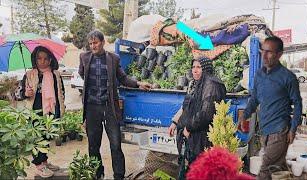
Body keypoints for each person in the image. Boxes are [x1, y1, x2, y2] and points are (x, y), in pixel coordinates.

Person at [79, 30, 152, 180]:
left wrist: (138, 84)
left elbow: (123, 78)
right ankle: (97, 173)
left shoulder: (113, 58)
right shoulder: (84, 57)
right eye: (91, 43)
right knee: (93, 145)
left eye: (96, 42)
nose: (93, 46)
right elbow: (82, 74)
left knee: (115, 144)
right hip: (92, 108)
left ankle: (119, 175)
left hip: (109, 107)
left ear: (103, 42)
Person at [239, 36, 302, 180]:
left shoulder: (288, 77)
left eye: (269, 52)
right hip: (264, 131)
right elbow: (254, 99)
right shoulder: (260, 75)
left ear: (279, 54)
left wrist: (293, 128)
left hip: (280, 131)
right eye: (263, 51)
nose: (264, 55)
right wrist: (245, 116)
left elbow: (297, 103)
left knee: (265, 170)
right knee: (277, 168)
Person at [168, 57, 226, 179]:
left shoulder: (211, 84)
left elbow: (206, 113)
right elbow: (185, 106)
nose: (195, 70)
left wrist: (189, 128)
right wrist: (174, 121)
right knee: (188, 168)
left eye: (199, 67)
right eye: (193, 67)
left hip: (201, 136)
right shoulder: (194, 83)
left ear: (206, 69)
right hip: (189, 134)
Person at [16, 46, 65, 178]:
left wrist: (60, 110)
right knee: (37, 139)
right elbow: (18, 93)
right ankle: (39, 166)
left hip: (50, 112)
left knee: (46, 138)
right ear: (35, 59)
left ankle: (44, 161)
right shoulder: (29, 74)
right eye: (39, 58)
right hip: (35, 113)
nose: (42, 61)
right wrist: (26, 93)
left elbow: (61, 92)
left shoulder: (55, 74)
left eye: (45, 58)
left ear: (50, 60)